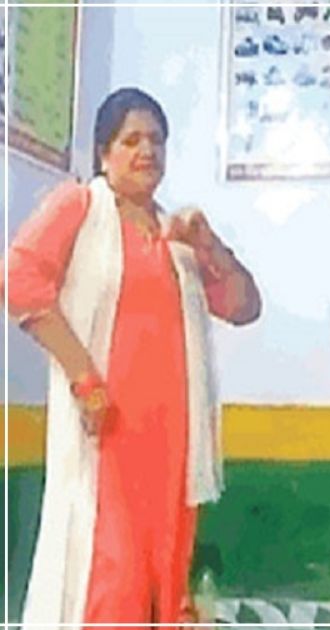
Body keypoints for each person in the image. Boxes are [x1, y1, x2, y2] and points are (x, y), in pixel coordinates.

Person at [4, 87, 260, 626]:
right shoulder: (80, 207)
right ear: (104, 153)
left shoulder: (177, 236)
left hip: (172, 446)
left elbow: (245, 307)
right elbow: (20, 280)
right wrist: (84, 379)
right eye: (131, 139)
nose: (147, 150)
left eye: (157, 140)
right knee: (110, 582)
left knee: (164, 585)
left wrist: (210, 245)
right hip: (108, 438)